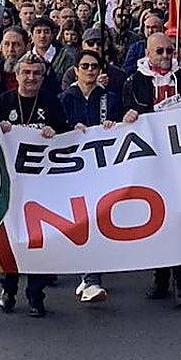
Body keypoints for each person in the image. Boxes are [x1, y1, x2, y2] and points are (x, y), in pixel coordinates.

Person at [124, 34, 181, 308]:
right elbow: (122, 111)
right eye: (160, 51)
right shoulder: (135, 81)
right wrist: (126, 115)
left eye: (169, 50)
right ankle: (160, 276)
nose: (166, 55)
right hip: (151, 163)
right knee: (158, 220)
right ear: (148, 53)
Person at [0, 53, 69, 317]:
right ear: (16, 75)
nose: (31, 78)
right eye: (26, 73)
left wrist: (54, 132)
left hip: (42, 186)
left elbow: (66, 135)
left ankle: (36, 295)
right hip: (12, 185)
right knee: (12, 240)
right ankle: (8, 288)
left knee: (39, 240)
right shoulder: (3, 102)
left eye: (36, 73)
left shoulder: (51, 103)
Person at [60, 49, 125, 305]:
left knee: (96, 223)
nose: (89, 70)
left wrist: (117, 124)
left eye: (94, 66)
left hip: (102, 171)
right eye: (84, 66)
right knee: (80, 223)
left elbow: (125, 126)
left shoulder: (110, 98)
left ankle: (92, 279)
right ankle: (87, 276)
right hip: (73, 172)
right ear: (76, 70)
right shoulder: (65, 98)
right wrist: (68, 129)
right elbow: (55, 128)